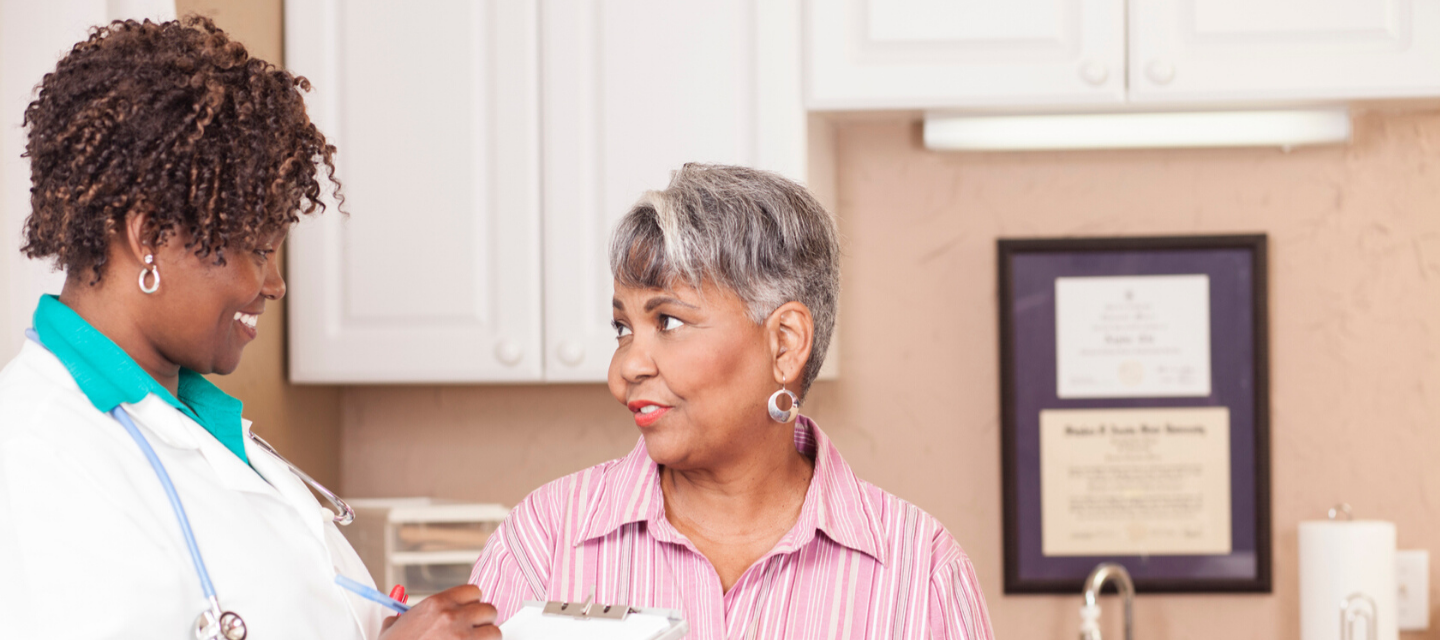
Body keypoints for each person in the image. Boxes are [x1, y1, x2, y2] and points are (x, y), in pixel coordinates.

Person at [0, 18, 499, 640]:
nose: (274, 284)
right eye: (257, 249)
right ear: (148, 236)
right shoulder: (31, 458)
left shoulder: (200, 425)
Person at [470, 164, 995, 639]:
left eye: (668, 321)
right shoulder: (543, 541)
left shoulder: (921, 573)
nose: (626, 368)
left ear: (784, 343)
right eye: (622, 328)